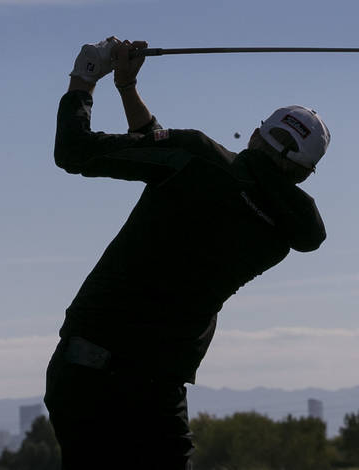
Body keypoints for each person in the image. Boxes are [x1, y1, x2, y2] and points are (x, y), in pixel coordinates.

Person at [45, 36, 330, 469]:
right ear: (306, 175)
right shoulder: (282, 232)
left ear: (254, 134)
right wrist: (128, 89)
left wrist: (85, 77)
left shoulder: (195, 158)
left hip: (89, 372)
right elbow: (161, 152)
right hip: (158, 391)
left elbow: (74, 151)